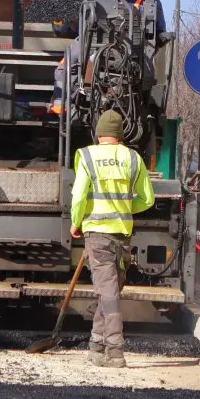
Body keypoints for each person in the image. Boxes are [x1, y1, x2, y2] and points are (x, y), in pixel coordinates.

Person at [69, 109, 154, 369]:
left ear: (98, 133)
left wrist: (76, 222)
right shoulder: (133, 158)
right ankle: (96, 347)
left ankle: (115, 350)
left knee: (108, 294)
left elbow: (79, 195)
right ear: (120, 135)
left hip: (97, 234)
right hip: (122, 235)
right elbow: (147, 199)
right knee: (110, 292)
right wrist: (124, 209)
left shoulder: (87, 156)